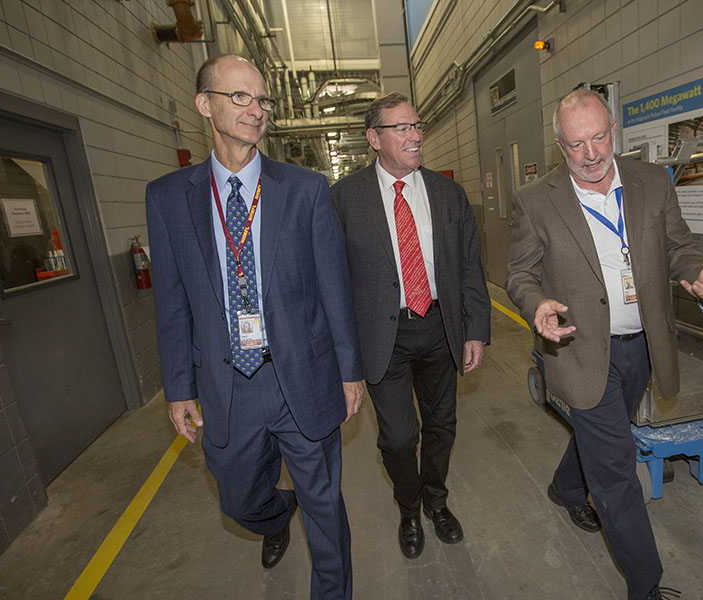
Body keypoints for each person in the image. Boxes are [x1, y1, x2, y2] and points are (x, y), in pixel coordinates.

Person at [146, 55, 363, 600]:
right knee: (238, 500)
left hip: (303, 377)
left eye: (261, 99)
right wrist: (179, 388)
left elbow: (335, 289)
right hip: (227, 386)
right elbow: (171, 302)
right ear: (205, 105)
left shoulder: (304, 189)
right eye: (239, 97)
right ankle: (274, 514)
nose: (255, 109)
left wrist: (350, 371)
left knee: (325, 504)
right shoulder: (169, 198)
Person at [506, 89, 703, 600]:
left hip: (642, 346)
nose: (590, 154)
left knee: (600, 432)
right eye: (576, 145)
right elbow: (520, 273)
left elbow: (678, 247)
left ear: (614, 130)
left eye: (599, 138)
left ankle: (565, 487)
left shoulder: (652, 181)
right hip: (581, 348)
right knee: (614, 472)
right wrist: (535, 303)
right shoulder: (536, 201)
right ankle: (646, 585)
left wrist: (697, 272)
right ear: (559, 146)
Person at [330, 93, 490, 559]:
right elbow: (332, 280)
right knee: (399, 436)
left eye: (417, 126)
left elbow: (469, 268)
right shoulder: (344, 198)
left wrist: (475, 329)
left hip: (440, 328)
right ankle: (408, 505)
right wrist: (341, 356)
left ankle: (436, 501)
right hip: (383, 336)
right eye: (401, 128)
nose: (416, 135)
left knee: (442, 424)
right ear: (374, 138)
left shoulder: (447, 194)